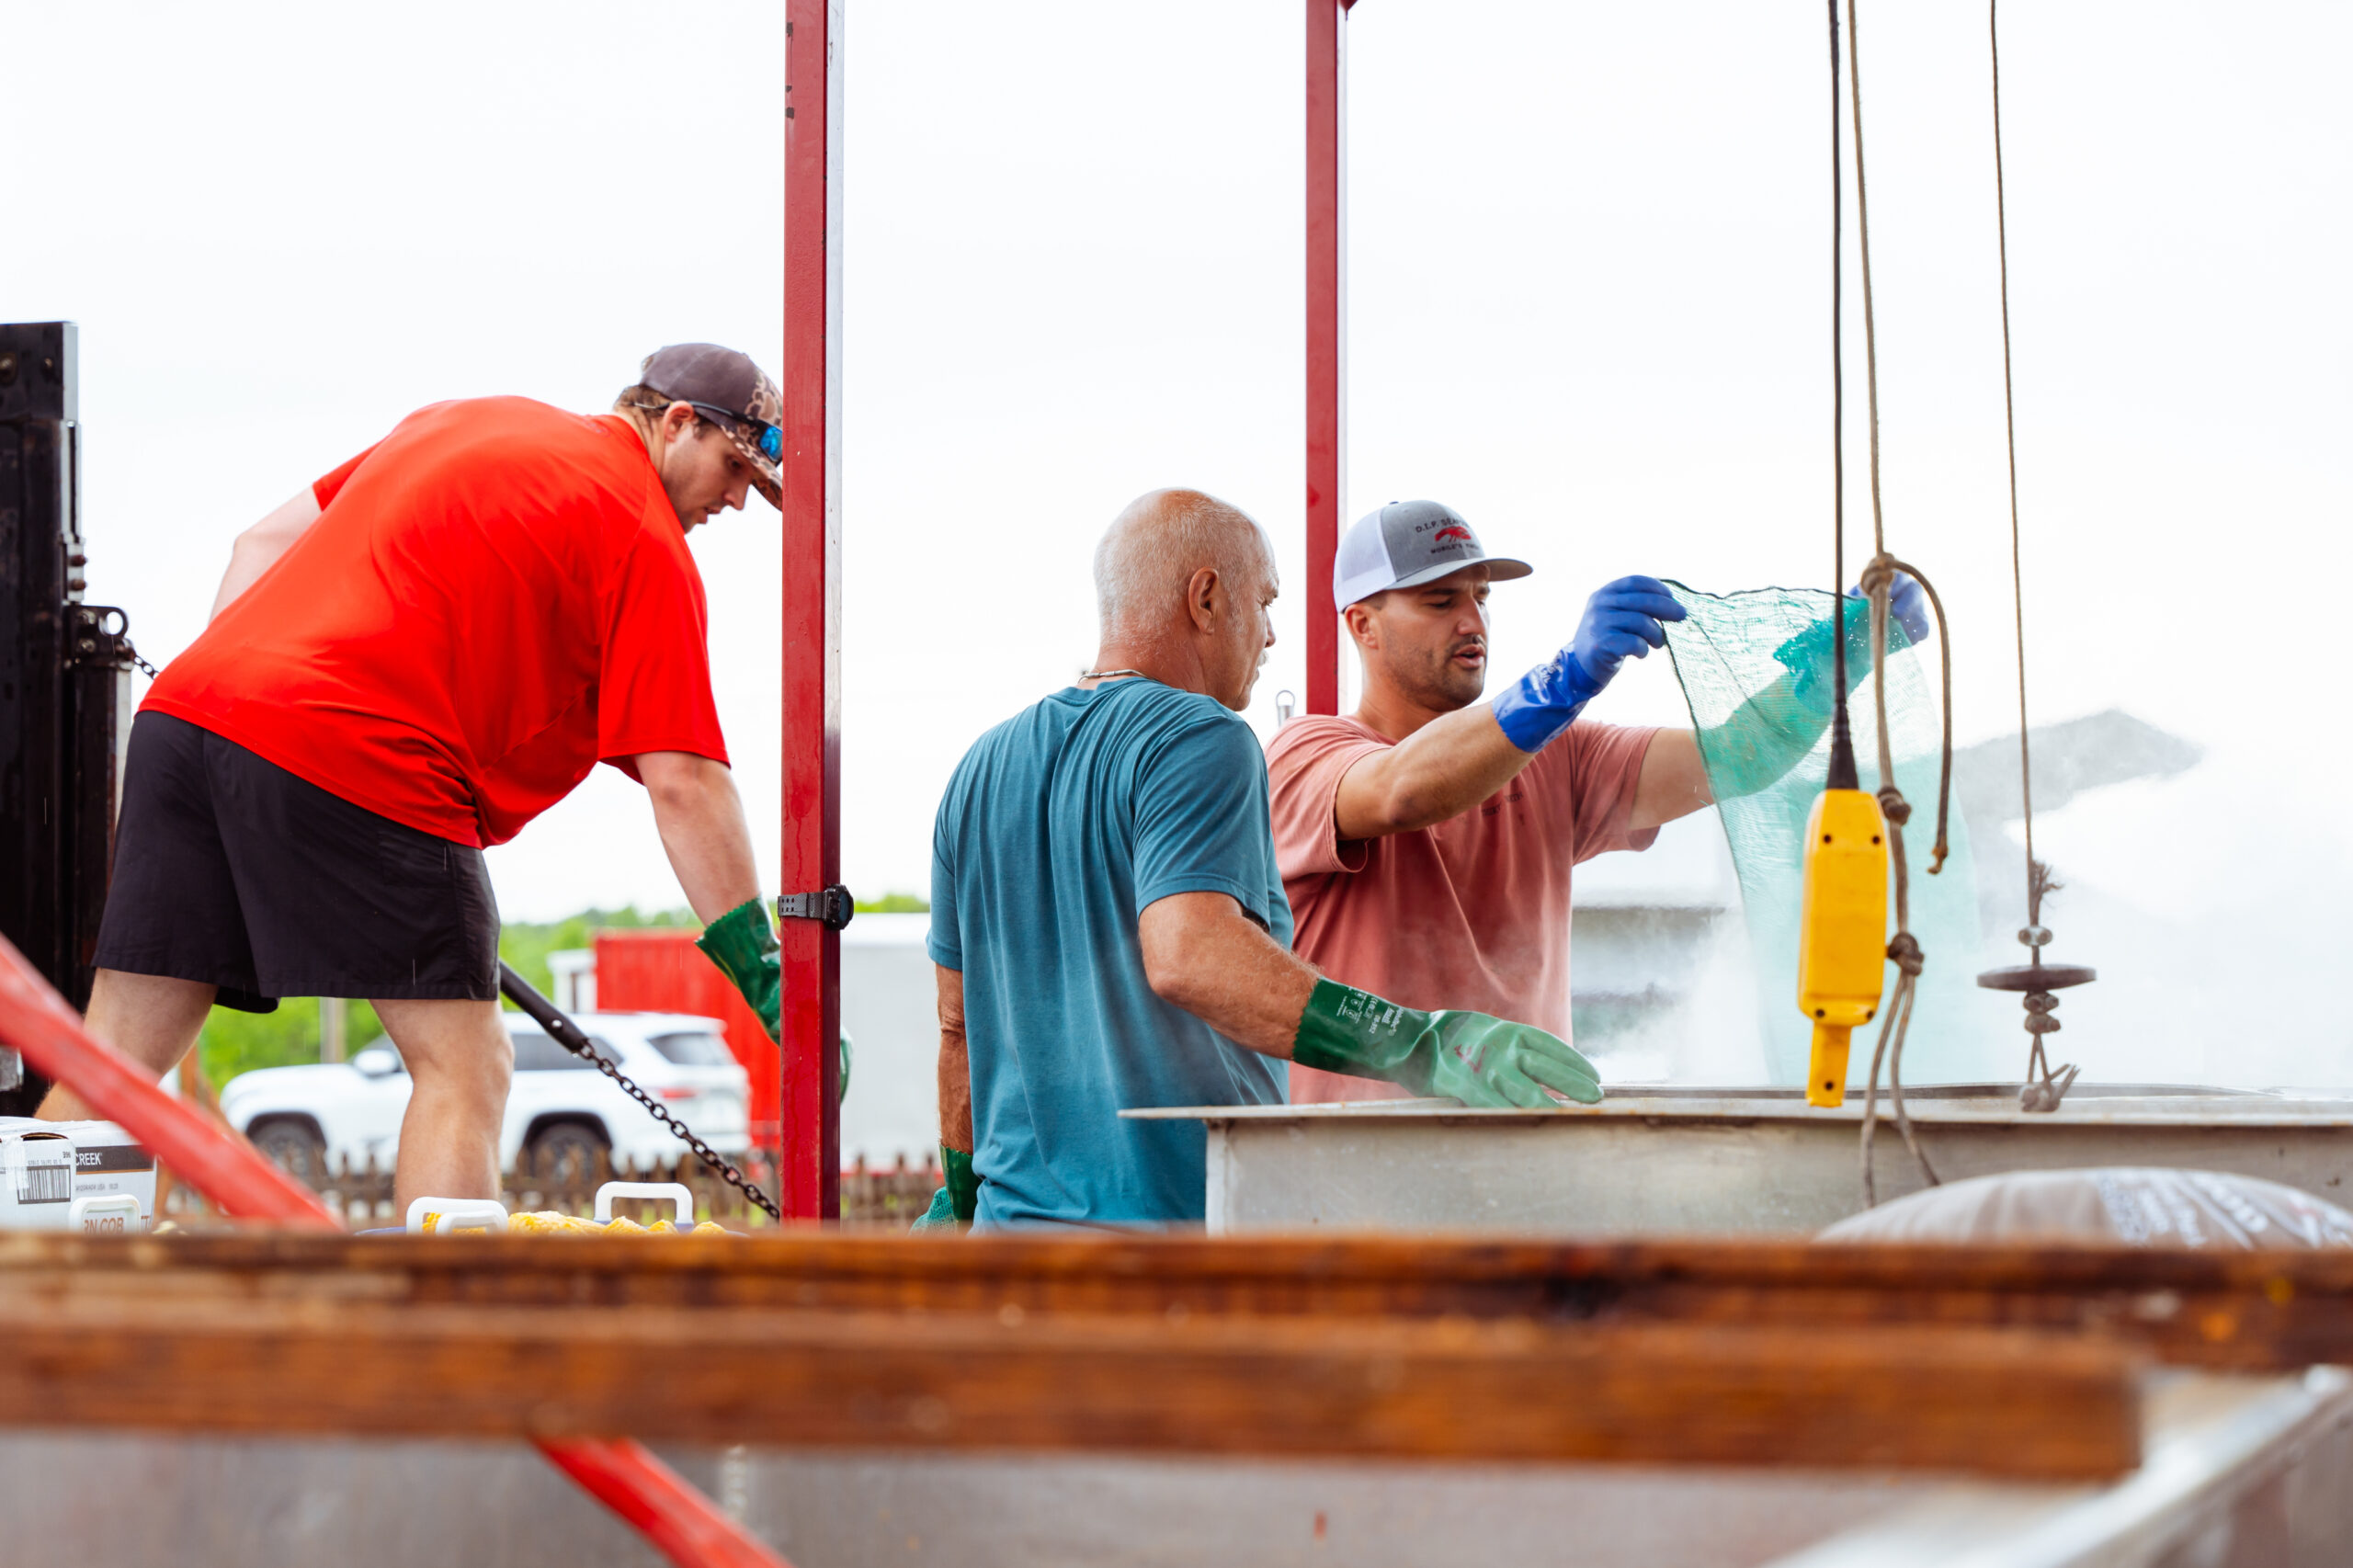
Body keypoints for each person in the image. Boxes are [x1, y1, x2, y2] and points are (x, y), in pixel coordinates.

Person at [51, 345, 790, 1213]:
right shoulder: (644, 536)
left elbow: (261, 541)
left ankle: (19, 1303)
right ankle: (446, 1340)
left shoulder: (466, 419)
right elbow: (685, 784)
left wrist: (251, 721)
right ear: (676, 423)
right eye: (734, 466)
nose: (738, 498)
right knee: (466, 1066)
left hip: (190, 718)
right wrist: (762, 966)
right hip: (368, 747)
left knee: (117, 1058)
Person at [917, 489, 1603, 1233]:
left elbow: (956, 1030)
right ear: (1207, 599)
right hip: (1172, 1258)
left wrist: (959, 1200)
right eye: (1265, 602)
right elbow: (1191, 955)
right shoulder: (1200, 736)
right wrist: (1419, 1042)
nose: (1271, 636)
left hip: (1008, 1252)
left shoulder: (979, 769)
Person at [1269, 499, 1927, 1102]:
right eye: (1441, 602)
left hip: (1528, 1147)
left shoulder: (1557, 755)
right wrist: (1562, 681)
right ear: (1363, 625)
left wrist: (1835, 663)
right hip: (1356, 1158)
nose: (1473, 621)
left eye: (1481, 598)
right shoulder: (1305, 756)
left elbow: (1737, 754)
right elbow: (1401, 792)